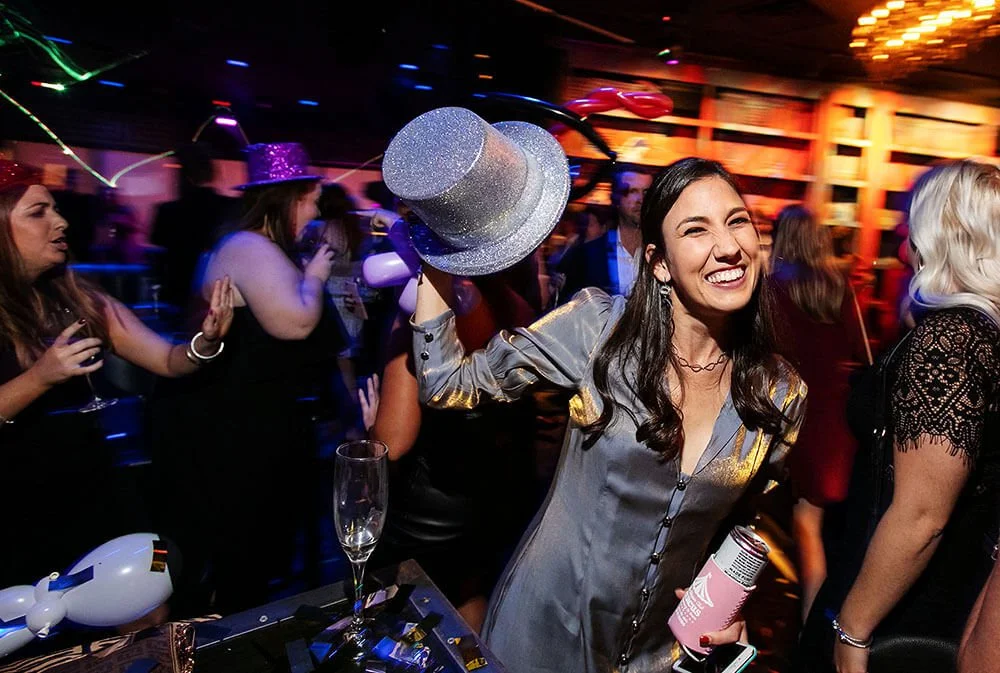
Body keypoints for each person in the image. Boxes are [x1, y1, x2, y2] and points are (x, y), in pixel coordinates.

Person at [412, 157, 807, 672]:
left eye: (737, 221)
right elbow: (447, 384)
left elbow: (742, 519)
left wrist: (727, 597)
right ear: (659, 263)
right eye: (696, 229)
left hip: (660, 653)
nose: (728, 246)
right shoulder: (600, 331)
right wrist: (435, 256)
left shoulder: (778, 394)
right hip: (546, 632)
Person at [800, 160, 1000, 673]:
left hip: (898, 618)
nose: (901, 233)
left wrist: (853, 631)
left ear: (943, 230)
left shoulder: (950, 342)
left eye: (912, 219)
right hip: (943, 601)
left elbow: (920, 517)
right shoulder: (980, 333)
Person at [0, 159, 234, 592]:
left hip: (95, 481)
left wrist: (204, 341)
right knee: (39, 631)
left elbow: (168, 360)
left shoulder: (79, 298)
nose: (61, 221)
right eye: (38, 213)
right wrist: (40, 377)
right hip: (16, 499)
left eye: (55, 209)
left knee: (151, 584)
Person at [149, 143, 339, 616]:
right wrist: (315, 275)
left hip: (251, 421)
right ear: (290, 198)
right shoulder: (248, 246)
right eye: (311, 200)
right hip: (228, 426)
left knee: (251, 547)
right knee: (236, 548)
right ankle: (220, 641)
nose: (315, 212)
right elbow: (293, 323)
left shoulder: (260, 248)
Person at [368, 268, 540, 632]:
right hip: (489, 506)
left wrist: (367, 425)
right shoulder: (514, 302)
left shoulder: (424, 307)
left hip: (426, 516)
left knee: (400, 635)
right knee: (467, 608)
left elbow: (393, 444)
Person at [768, 205, 869, 622]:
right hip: (836, 425)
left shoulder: (772, 288)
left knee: (800, 526)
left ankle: (810, 631)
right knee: (816, 527)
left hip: (794, 422)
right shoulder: (837, 287)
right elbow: (862, 356)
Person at [150, 143, 238, 311]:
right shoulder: (230, 207)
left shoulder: (168, 211)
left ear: (184, 175)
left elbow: (158, 247)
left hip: (178, 292)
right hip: (219, 292)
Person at [556, 167, 652, 301]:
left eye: (646, 192)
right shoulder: (588, 255)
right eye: (631, 191)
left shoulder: (660, 253)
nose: (640, 199)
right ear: (616, 198)